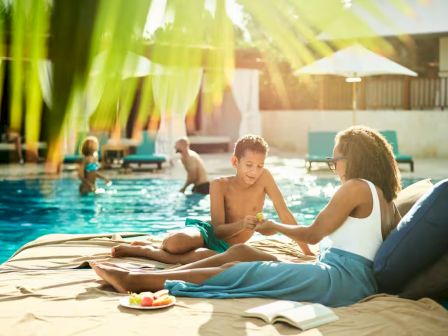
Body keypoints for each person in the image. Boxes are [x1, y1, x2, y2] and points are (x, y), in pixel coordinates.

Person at [91, 126, 402, 307]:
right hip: (341, 274)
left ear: (353, 158)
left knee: (241, 269)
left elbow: (312, 234)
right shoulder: (386, 198)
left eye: (335, 159)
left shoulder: (356, 188)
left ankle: (140, 280)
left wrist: (272, 226)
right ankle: (155, 271)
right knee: (242, 251)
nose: (334, 167)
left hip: (340, 281)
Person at [111, 134, 312, 264]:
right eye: (249, 164)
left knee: (205, 258)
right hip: (209, 233)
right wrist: (243, 224)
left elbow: (285, 213)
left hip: (230, 249)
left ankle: (147, 251)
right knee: (175, 244)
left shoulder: (265, 178)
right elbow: (218, 230)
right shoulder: (219, 185)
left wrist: (307, 251)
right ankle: (154, 248)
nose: (254, 171)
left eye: (259, 166)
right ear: (235, 161)